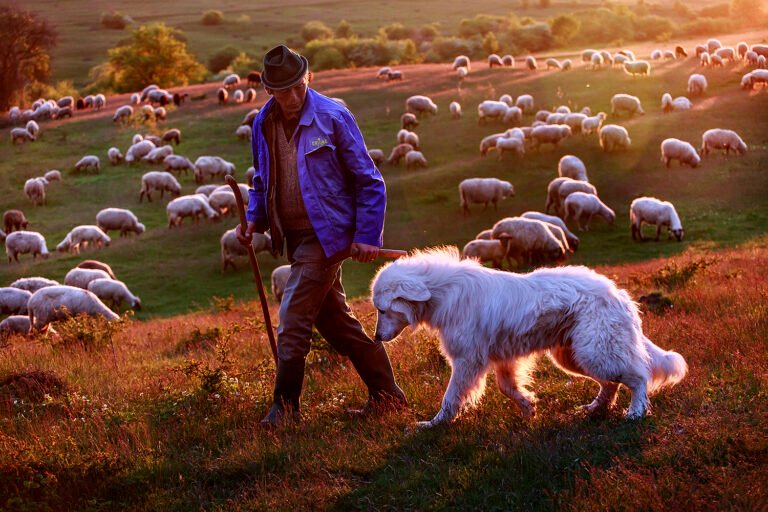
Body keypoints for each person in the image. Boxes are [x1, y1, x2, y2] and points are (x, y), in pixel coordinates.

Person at [237, 45, 407, 426]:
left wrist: (367, 235)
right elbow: (262, 179)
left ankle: (285, 410)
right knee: (335, 323)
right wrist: (253, 220)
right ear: (269, 90)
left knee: (293, 315)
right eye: (285, 91)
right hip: (295, 239)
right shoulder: (263, 123)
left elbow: (369, 181)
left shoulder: (333, 117)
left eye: (300, 85)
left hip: (326, 237)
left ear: (308, 77)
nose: (294, 96)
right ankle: (388, 397)